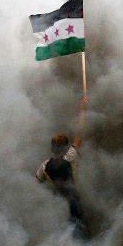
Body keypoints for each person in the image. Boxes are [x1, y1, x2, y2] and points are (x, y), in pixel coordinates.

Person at [36, 97, 88, 238]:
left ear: (52, 148)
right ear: (65, 147)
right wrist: (83, 109)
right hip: (73, 204)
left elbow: (38, 181)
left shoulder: (45, 165)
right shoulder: (69, 157)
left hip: (57, 206)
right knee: (78, 233)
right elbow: (79, 135)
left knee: (64, 235)